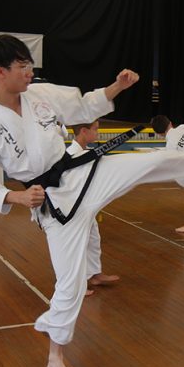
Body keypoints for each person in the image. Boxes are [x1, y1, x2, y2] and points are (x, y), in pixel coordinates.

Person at [0, 35, 184, 367]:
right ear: (0, 72)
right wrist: (16, 198)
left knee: (151, 161)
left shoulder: (40, 94)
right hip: (54, 201)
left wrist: (117, 86)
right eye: (22, 67)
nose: (30, 72)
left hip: (82, 171)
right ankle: (55, 358)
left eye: (30, 65)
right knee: (70, 283)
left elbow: (83, 107)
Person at [67, 121, 120, 293]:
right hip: (73, 209)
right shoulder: (70, 155)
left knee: (93, 240)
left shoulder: (87, 153)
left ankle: (94, 274)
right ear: (83, 131)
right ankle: (75, 286)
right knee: (77, 245)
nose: (98, 132)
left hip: (87, 207)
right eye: (95, 129)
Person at [150, 115, 184, 233]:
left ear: (159, 134)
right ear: (171, 123)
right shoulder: (183, 127)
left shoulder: (170, 147)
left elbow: (179, 174)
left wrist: (182, 181)